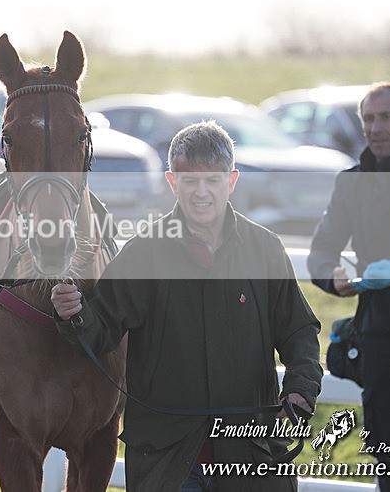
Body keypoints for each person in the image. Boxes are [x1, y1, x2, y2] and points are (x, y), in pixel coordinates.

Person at [51, 120, 322, 491]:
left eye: (213, 180)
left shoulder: (265, 249)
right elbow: (100, 332)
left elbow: (299, 331)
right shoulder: (144, 252)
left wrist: (300, 388)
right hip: (168, 460)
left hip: (250, 454)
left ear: (232, 180)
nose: (201, 192)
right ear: (172, 182)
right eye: (190, 181)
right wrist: (74, 315)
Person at [308, 82, 390, 492]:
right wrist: (332, 278)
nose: (375, 127)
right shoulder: (352, 182)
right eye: (368, 118)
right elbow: (320, 253)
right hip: (380, 340)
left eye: (386, 117)